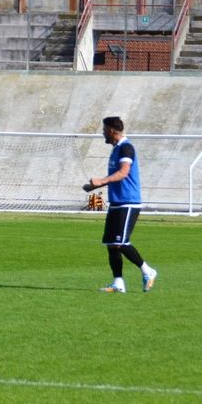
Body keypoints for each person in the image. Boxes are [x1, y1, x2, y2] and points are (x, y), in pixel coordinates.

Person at [82, 116, 158, 294]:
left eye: (104, 130)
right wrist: (95, 186)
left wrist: (101, 180)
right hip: (117, 202)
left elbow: (124, 172)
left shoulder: (126, 147)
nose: (102, 133)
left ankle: (148, 270)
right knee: (111, 244)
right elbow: (117, 176)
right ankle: (118, 283)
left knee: (121, 242)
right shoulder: (116, 149)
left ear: (111, 131)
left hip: (128, 202)